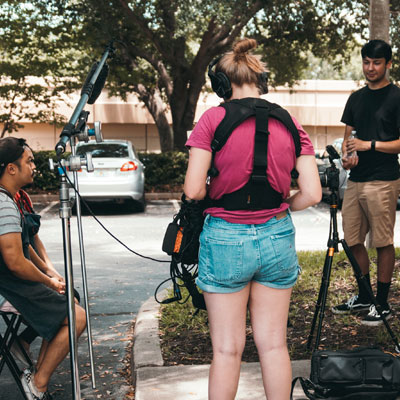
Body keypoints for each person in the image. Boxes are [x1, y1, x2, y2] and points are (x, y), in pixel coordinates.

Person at [184, 38, 321, 400]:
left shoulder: (212, 119)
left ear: (222, 85)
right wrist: (282, 205)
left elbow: (194, 190)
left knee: (227, 350)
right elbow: (313, 193)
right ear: (261, 80)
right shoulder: (289, 122)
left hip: (226, 238)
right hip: (277, 236)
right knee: (274, 345)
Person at [0, 137, 86, 400]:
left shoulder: (13, 199)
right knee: (76, 317)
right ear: (11, 168)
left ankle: (35, 370)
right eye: (30, 161)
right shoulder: (3, 205)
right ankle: (38, 384)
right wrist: (49, 282)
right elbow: (15, 262)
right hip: (10, 285)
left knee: (70, 297)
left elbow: (27, 248)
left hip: (15, 281)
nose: (34, 166)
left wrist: (51, 274)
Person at [331, 40, 400, 326]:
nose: (371, 68)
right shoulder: (356, 98)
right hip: (356, 180)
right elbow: (349, 139)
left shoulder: (396, 97)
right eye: (367, 62)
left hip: (383, 179)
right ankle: (364, 296)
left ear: (388, 64)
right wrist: (348, 157)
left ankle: (382, 303)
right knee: (352, 240)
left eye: (377, 62)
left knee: (382, 242)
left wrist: (370, 145)